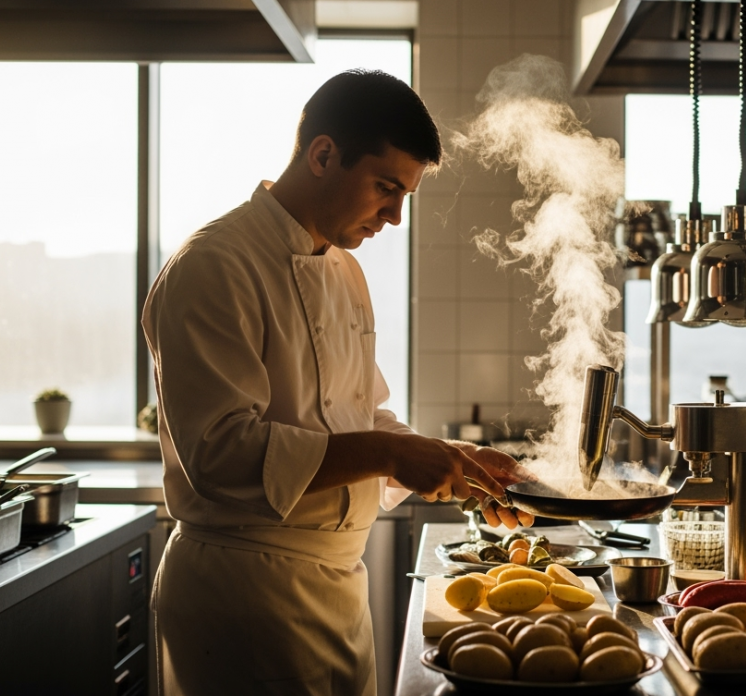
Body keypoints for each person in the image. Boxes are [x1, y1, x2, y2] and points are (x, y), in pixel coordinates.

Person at [142, 69, 532, 696]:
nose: (396, 217)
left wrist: (455, 459)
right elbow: (218, 452)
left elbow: (363, 415)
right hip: (245, 598)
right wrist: (390, 454)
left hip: (338, 591)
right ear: (323, 154)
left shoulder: (345, 271)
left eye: (404, 195)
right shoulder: (215, 265)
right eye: (385, 188)